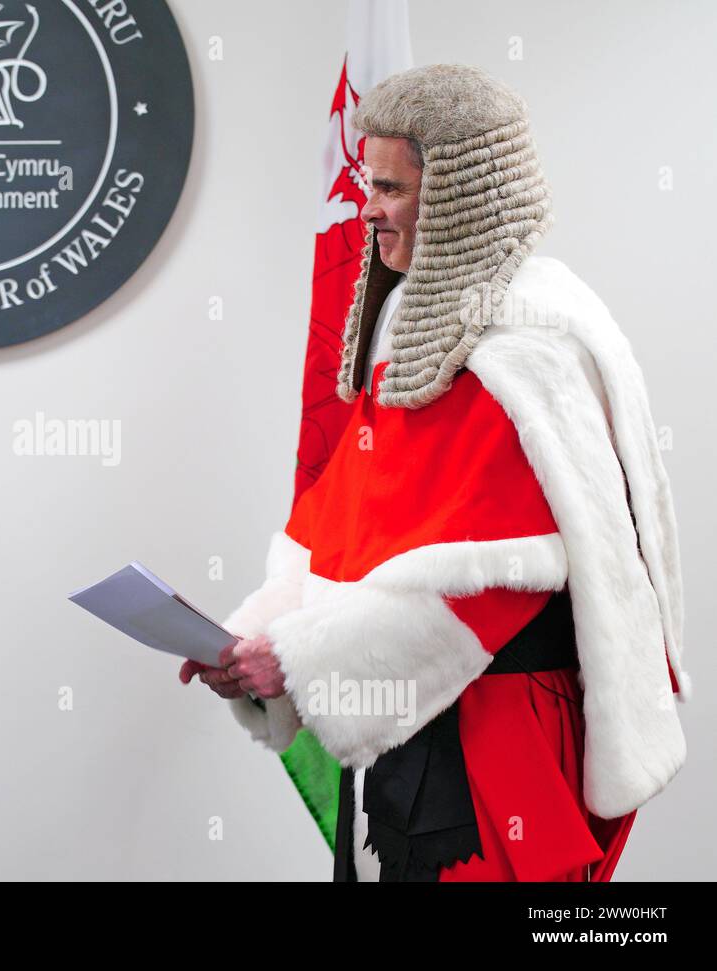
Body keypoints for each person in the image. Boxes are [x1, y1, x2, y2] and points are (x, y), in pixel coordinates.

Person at [182, 63, 688, 881]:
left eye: (389, 187)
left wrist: (299, 659)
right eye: (365, 182)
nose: (368, 208)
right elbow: (341, 524)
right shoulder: (423, 328)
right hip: (411, 726)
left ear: (460, 194)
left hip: (497, 742)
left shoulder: (530, 352)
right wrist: (252, 641)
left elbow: (483, 583)